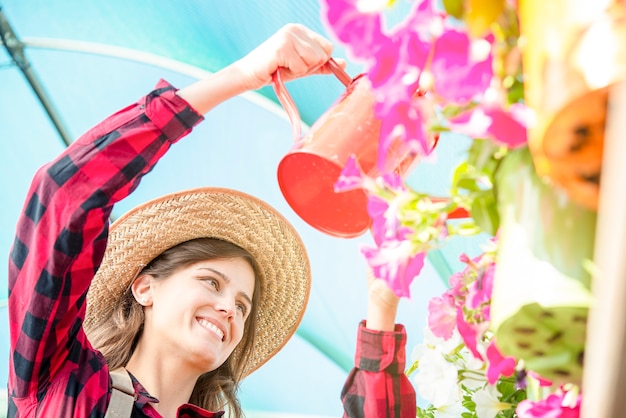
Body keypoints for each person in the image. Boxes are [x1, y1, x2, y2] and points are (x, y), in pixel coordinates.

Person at [7, 23, 416, 418]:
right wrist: (242, 75)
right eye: (211, 282)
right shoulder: (63, 381)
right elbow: (63, 196)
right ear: (144, 287)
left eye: (242, 305)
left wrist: (382, 305)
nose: (229, 310)